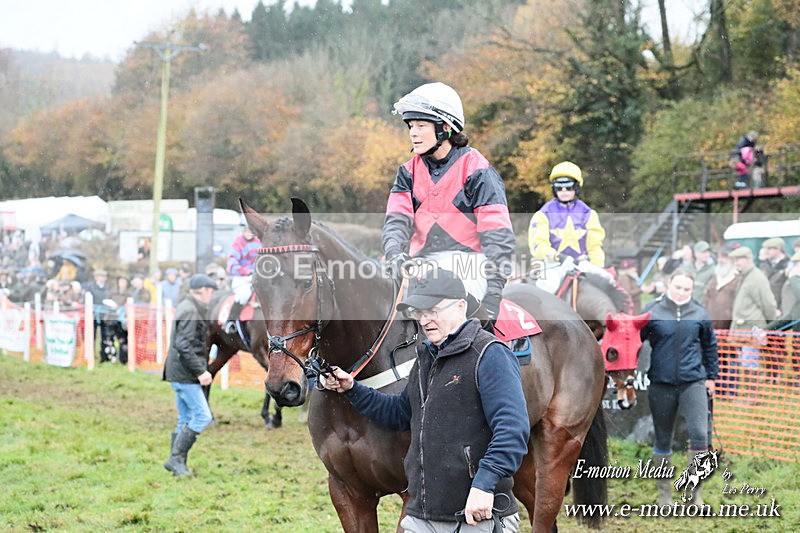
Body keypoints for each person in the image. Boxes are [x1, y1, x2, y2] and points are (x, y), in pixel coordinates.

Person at [320, 269, 529, 531]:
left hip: (476, 513)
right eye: (420, 312)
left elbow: (512, 430)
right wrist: (352, 388)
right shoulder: (426, 357)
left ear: (461, 306)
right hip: (422, 513)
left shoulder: (490, 355)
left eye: (434, 310)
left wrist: (484, 484)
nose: (425, 320)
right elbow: (399, 413)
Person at [382, 82, 515, 327]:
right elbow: (396, 223)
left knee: (444, 315)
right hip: (419, 263)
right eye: (411, 126)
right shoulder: (407, 172)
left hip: (469, 264)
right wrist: (394, 255)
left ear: (445, 128)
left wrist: (494, 294)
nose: (413, 132)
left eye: (421, 125)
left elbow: (498, 236)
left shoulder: (477, 169)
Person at [640, 269, 719, 506]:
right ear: (668, 285)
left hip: (693, 382)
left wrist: (712, 377)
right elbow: (633, 339)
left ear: (692, 290)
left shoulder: (700, 313)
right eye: (678, 287)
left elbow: (710, 347)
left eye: (687, 289)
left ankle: (695, 495)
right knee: (663, 438)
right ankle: (664, 496)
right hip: (661, 383)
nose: (682, 292)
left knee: (699, 434)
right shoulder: (652, 312)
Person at [162, 273, 218, 477]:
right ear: (203, 291)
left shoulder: (189, 307)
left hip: (178, 372)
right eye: (210, 291)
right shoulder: (191, 311)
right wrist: (201, 371)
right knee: (203, 416)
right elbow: (183, 344)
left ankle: (176, 463)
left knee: (185, 417)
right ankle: (175, 459)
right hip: (185, 374)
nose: (212, 295)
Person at [528, 161, 606, 269]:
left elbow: (595, 247)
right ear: (554, 189)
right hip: (552, 266)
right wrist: (558, 257)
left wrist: (598, 267)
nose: (564, 190)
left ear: (576, 187)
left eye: (568, 186)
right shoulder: (542, 215)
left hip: (582, 265)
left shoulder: (589, 214)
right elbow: (539, 245)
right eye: (559, 187)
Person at [224, 217, 261, 334]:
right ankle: (230, 321)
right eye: (247, 228)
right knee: (244, 294)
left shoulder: (259, 242)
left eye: (251, 229)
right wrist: (246, 271)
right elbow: (231, 265)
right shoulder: (237, 243)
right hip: (242, 278)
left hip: (258, 276)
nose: (249, 231)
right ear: (243, 229)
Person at [703, 245, 741, 330]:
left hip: (728, 327)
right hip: (711, 326)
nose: (720, 260)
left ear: (732, 259)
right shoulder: (714, 278)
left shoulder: (738, 279)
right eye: (719, 257)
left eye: (724, 257)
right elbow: (706, 298)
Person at [85, 269, 114, 363]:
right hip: (93, 314)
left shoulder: (108, 288)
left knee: (105, 336)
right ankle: (90, 354)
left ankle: (104, 356)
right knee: (91, 335)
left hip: (104, 314)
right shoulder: (91, 287)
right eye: (100, 276)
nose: (102, 278)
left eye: (103, 276)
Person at [759, 237, 789, 309]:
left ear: (778, 249)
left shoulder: (789, 264)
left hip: (782, 305)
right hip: (766, 304)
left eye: (769, 249)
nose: (766, 252)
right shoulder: (764, 264)